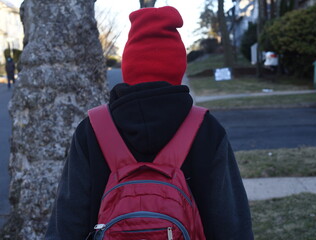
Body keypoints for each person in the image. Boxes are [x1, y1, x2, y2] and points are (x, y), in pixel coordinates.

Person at [46, 6, 253, 240]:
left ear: (129, 67)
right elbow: (230, 222)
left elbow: (67, 220)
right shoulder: (206, 129)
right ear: (178, 67)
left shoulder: (92, 129)